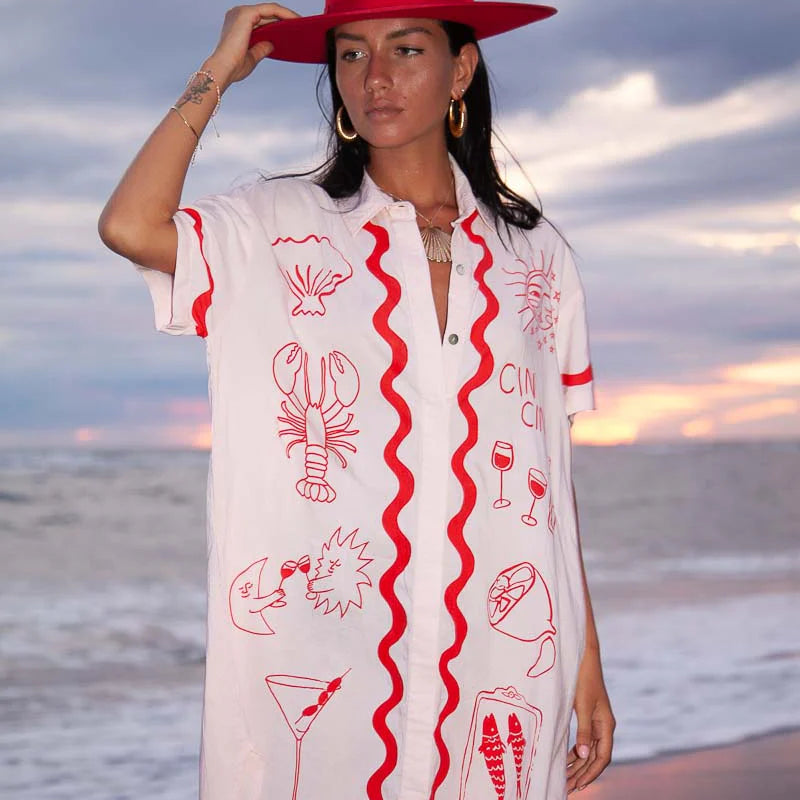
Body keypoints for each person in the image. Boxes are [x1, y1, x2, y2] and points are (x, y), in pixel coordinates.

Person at [98, 1, 615, 798]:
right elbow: (131, 226)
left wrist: (585, 660)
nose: (375, 78)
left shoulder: (536, 256)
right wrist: (218, 72)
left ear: (461, 70)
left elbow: (548, 474)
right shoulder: (271, 227)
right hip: (321, 650)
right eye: (349, 54)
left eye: (405, 50)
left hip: (505, 655)